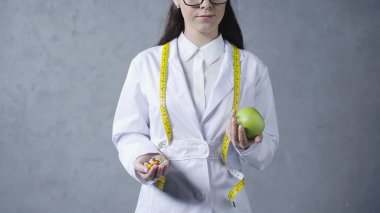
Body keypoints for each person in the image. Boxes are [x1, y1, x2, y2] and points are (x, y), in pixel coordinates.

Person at [112, 0, 279, 212]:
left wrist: (247, 145)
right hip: (165, 204)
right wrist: (142, 157)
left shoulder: (252, 68)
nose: (206, 4)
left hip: (226, 205)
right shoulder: (145, 64)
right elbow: (128, 133)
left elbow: (268, 146)